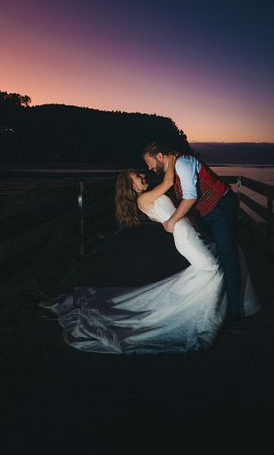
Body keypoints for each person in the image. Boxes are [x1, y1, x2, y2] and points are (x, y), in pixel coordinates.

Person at [40, 155, 259, 354]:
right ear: (131, 186)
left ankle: (220, 310)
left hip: (187, 232)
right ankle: (208, 317)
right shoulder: (142, 200)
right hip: (183, 235)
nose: (143, 174)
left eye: (140, 172)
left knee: (213, 267)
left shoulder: (147, 196)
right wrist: (172, 162)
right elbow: (168, 182)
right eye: (137, 176)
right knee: (212, 269)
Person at [142, 141, 243, 323]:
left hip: (221, 206)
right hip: (209, 212)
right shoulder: (173, 168)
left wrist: (172, 221)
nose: (148, 168)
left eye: (149, 162)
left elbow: (190, 197)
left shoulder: (182, 162)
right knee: (217, 253)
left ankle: (235, 314)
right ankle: (223, 302)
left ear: (159, 156)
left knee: (227, 258)